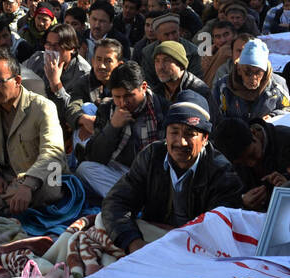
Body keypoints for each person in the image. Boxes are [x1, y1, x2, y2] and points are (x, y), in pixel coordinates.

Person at [102, 91, 243, 252]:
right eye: (174, 132)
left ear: (204, 139)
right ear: (166, 135)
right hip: (152, 239)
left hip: (194, 246)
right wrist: (135, 244)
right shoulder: (151, 156)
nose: (180, 142)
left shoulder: (222, 173)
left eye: (190, 134)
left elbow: (216, 231)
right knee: (103, 223)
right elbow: (117, 202)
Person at [0, 51, 67, 213]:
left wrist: (27, 185)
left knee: (17, 195)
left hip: (44, 178)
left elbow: (53, 153)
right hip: (7, 178)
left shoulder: (42, 107)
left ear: (17, 81)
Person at [75, 63, 165, 203]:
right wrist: (113, 127)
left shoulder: (162, 109)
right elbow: (95, 157)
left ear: (144, 87)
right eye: (117, 97)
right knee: (85, 169)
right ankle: (129, 201)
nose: (123, 103)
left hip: (154, 176)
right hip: (122, 173)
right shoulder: (107, 109)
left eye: (129, 96)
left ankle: (125, 201)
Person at [210, 116, 290, 211]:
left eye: (252, 154)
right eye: (242, 162)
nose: (251, 164)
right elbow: (225, 198)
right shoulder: (227, 165)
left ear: (254, 133)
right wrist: (242, 202)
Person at [211, 37, 290, 123]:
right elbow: (214, 114)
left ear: (264, 71)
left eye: (258, 73)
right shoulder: (223, 86)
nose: (253, 78)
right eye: (248, 72)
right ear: (239, 70)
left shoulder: (277, 84)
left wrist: (272, 116)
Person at [151, 39, 213, 110]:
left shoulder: (199, 91)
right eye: (157, 61)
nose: (160, 67)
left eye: (167, 60)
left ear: (180, 65)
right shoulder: (157, 92)